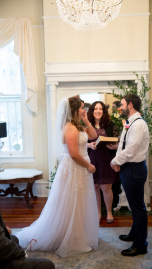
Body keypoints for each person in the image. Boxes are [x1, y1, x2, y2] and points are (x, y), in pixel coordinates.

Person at [15, 97, 99, 258]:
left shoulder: (78, 125)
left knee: (80, 202)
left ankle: (77, 234)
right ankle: (71, 238)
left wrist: (86, 120)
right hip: (76, 168)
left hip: (80, 169)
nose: (84, 110)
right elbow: (74, 154)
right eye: (82, 108)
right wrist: (88, 166)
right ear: (74, 110)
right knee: (73, 202)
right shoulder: (70, 128)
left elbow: (93, 135)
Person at [110, 94, 149, 257]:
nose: (120, 107)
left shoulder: (138, 125)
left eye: (123, 104)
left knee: (138, 208)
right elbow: (124, 145)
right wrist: (119, 161)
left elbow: (131, 150)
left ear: (130, 105)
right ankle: (134, 233)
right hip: (128, 168)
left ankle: (140, 244)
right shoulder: (130, 123)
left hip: (134, 169)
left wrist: (114, 161)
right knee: (135, 205)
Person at [87, 101, 119, 223]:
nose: (98, 111)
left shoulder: (111, 125)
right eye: (96, 108)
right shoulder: (86, 125)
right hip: (92, 160)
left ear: (104, 111)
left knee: (106, 187)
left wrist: (113, 145)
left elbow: (118, 141)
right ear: (92, 111)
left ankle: (109, 212)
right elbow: (80, 143)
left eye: (100, 109)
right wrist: (89, 145)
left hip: (107, 159)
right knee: (95, 187)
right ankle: (98, 213)